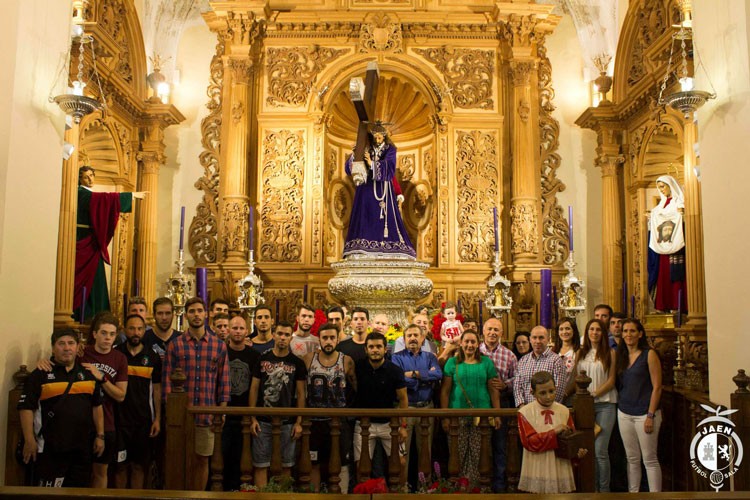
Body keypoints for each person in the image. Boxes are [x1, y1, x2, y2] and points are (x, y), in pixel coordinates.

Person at [18, 329, 105, 487]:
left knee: (78, 494)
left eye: (71, 343)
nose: (67, 348)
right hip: (51, 450)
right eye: (61, 344)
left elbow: (97, 407)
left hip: (81, 450)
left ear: (78, 347)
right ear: (53, 348)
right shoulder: (40, 375)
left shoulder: (88, 374)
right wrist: (29, 439)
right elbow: (26, 408)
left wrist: (100, 435)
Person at [163, 297, 230, 491]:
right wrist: (171, 413)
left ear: (206, 314)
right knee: (179, 461)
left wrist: (222, 411)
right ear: (185, 316)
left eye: (200, 311)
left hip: (206, 415)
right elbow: (167, 381)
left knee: (202, 461)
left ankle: (198, 495)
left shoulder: (218, 346)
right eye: (192, 311)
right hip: (181, 417)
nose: (196, 315)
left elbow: (223, 382)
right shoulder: (176, 345)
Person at [74, 165, 146, 321]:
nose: (90, 179)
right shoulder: (79, 193)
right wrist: (131, 195)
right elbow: (102, 199)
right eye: (86, 176)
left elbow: (101, 201)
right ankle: (84, 313)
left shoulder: (87, 194)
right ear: (79, 178)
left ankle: (98, 315)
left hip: (91, 242)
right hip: (81, 240)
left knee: (96, 277)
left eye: (92, 175)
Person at [343, 122, 415, 259]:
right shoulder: (366, 147)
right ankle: (362, 246)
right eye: (375, 137)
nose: (377, 140)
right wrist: (355, 154)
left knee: (385, 219)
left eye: (380, 137)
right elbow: (349, 169)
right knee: (365, 215)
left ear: (384, 137)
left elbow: (390, 168)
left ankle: (387, 248)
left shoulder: (390, 149)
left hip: (383, 191)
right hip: (365, 189)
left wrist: (372, 164)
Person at [249, 321, 307, 487]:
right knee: (260, 464)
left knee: (286, 465)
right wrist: (252, 417)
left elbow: (301, 394)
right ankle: (261, 497)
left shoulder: (297, 363)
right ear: (274, 335)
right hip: (263, 420)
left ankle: (283, 496)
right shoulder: (262, 358)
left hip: (288, 421)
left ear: (291, 338)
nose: (282, 338)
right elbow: (254, 388)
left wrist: (299, 421)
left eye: (287, 335)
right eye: (280, 334)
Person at [440, 329, 501, 483]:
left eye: (473, 341)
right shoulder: (452, 363)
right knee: (457, 453)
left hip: (482, 417)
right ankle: (459, 489)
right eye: (466, 341)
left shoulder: (486, 362)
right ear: (460, 343)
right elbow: (445, 392)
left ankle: (477, 488)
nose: (469, 345)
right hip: (456, 417)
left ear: (478, 344)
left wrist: (497, 413)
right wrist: (445, 417)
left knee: (479, 453)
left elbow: (493, 390)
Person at [303, 323, 356, 491]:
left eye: (332, 337)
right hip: (315, 421)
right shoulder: (308, 358)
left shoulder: (346, 360)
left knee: (342, 462)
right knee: (314, 462)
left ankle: (342, 495)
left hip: (338, 421)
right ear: (319, 339)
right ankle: (314, 495)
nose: (328, 341)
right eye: (325, 337)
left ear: (338, 338)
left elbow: (355, 388)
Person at [517, 371, 587, 493]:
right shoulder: (525, 413)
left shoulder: (564, 411)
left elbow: (571, 439)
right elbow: (529, 442)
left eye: (551, 391)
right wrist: (553, 432)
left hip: (560, 464)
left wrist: (577, 453)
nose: (548, 396)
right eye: (542, 393)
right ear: (532, 393)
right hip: (537, 465)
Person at [114, 314, 162, 489]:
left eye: (140, 329)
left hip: (143, 421)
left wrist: (157, 419)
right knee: (120, 467)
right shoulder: (116, 354)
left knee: (139, 466)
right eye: (132, 328)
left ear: (144, 331)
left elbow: (157, 389)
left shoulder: (152, 356)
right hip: (120, 421)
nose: (136, 332)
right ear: (125, 330)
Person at [569, 319, 617, 492]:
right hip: (584, 407)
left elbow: (611, 380)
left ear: (603, 333)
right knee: (587, 450)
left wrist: (594, 394)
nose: (594, 332)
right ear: (587, 332)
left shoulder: (610, 353)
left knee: (600, 451)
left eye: (598, 330)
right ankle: (591, 489)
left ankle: (604, 491)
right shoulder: (579, 353)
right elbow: (574, 379)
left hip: (605, 405)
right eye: (591, 329)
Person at [391, 324, 442, 485]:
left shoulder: (430, 357)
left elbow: (438, 374)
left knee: (425, 451)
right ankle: (402, 489)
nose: (412, 338)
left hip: (426, 408)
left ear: (422, 338)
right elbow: (398, 380)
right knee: (402, 451)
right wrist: (424, 377)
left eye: (416, 335)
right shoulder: (396, 357)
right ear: (404, 339)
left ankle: (424, 489)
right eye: (409, 335)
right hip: (406, 409)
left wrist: (415, 374)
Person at [616, 318, 663, 492]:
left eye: (632, 331)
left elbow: (657, 387)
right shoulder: (621, 355)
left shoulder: (649, 354)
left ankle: (655, 496)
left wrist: (650, 415)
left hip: (645, 413)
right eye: (625, 331)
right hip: (625, 412)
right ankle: (633, 494)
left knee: (649, 459)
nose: (628, 334)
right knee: (632, 458)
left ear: (640, 334)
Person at [352, 332, 409, 474]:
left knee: (400, 463)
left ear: (385, 349)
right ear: (366, 349)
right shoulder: (358, 367)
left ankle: (399, 494)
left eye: (379, 346)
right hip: (364, 423)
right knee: (361, 465)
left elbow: (403, 398)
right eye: (371, 347)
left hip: (389, 423)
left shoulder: (395, 370)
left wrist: (403, 426)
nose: (375, 350)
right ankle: (364, 495)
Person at [478, 318, 516, 492]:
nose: (493, 332)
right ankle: (479, 484)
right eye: (490, 329)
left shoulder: (509, 355)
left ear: (502, 333)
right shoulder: (474, 350)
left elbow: (517, 379)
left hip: (501, 402)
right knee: (480, 445)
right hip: (479, 403)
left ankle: (499, 486)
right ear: (483, 331)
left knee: (500, 446)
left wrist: (506, 385)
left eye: (496, 330)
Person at [223, 315, 260, 491]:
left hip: (245, 415)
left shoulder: (254, 355)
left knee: (242, 458)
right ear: (228, 330)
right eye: (234, 328)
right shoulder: (221, 351)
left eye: (241, 328)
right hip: (224, 414)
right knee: (222, 457)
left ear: (247, 331)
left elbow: (255, 387)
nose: (238, 332)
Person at [647, 175, 687, 312]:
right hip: (662, 248)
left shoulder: (680, 202)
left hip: (676, 247)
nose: (661, 190)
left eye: (663, 186)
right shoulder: (660, 206)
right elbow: (656, 218)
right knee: (662, 275)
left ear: (671, 185)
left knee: (676, 277)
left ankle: (677, 305)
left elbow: (682, 218)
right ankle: (664, 305)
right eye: (659, 187)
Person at [514, 326, 567, 407]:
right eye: (534, 338)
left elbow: (559, 390)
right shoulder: (523, 361)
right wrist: (522, 406)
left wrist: (543, 407)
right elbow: (517, 386)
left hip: (548, 410)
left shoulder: (556, 361)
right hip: (525, 410)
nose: (537, 341)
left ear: (548, 339)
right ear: (530, 339)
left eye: (541, 338)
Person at [553, 319, 580, 407]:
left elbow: (578, 376)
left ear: (574, 331)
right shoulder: (552, 351)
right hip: (553, 397)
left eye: (567, 328)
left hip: (571, 397)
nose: (564, 332)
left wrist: (566, 393)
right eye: (561, 329)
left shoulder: (578, 351)